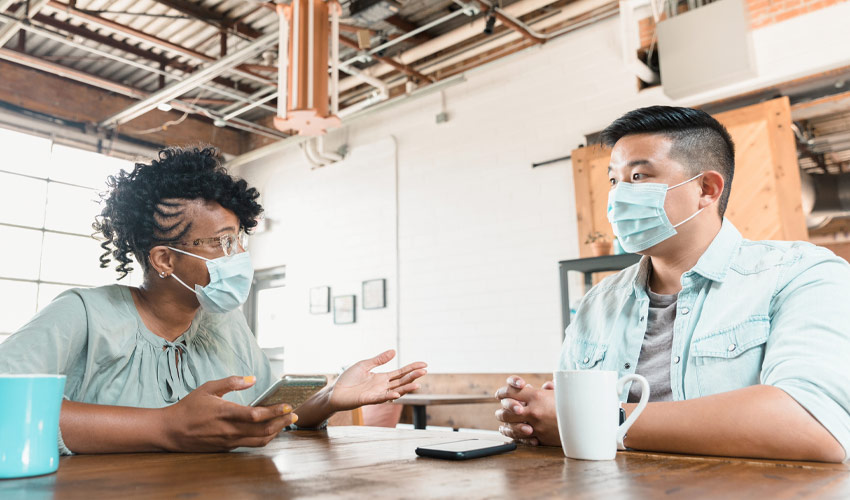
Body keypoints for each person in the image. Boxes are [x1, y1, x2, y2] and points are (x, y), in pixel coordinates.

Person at [0, 146, 426, 454]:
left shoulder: (226, 323)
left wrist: (328, 399)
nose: (238, 256)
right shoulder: (83, 315)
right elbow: (5, 407)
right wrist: (165, 427)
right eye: (222, 243)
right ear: (164, 259)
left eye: (238, 240)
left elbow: (257, 415)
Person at [495, 106, 849, 462]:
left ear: (706, 189)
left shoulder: (802, 274)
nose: (617, 197)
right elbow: (564, 418)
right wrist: (533, 417)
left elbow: (815, 425)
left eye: (638, 177)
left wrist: (599, 418)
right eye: (614, 180)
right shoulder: (597, 303)